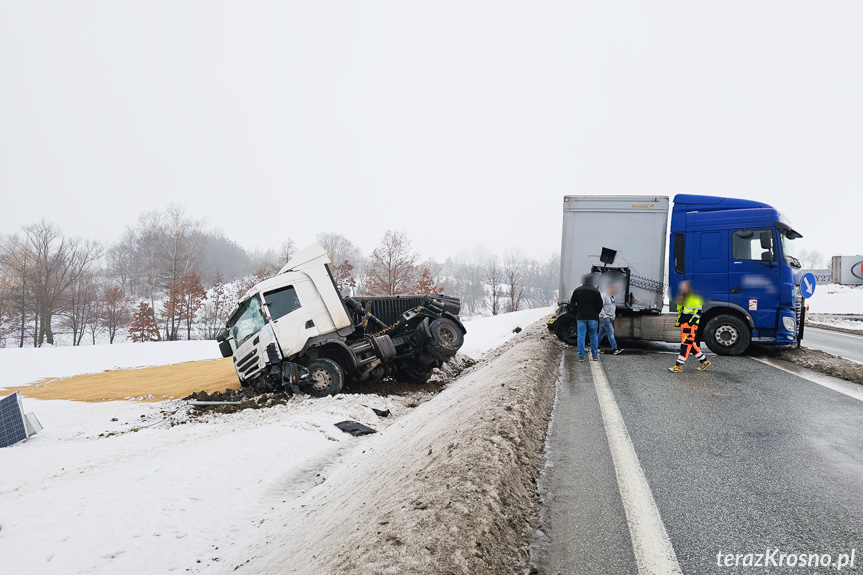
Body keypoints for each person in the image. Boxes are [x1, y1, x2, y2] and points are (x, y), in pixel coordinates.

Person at [669, 280, 711, 372]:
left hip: (689, 325)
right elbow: (680, 309)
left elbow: (698, 312)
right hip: (684, 324)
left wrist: (691, 323)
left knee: (685, 344)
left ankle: (679, 366)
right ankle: (704, 361)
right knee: (690, 345)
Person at [570, 274, 603, 362]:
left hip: (581, 317)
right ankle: (595, 356)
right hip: (593, 317)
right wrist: (596, 313)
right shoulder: (596, 291)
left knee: (581, 336)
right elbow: (600, 304)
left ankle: (581, 356)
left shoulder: (577, 290)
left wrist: (576, 312)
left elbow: (572, 303)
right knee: (593, 336)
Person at [597, 284, 623, 355]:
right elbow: (600, 307)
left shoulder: (612, 297)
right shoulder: (603, 296)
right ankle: (615, 348)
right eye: (614, 289)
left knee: (601, 333)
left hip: (610, 317)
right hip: (605, 317)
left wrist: (613, 315)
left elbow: (613, 306)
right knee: (610, 332)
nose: (615, 291)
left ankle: (596, 346)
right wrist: (604, 315)